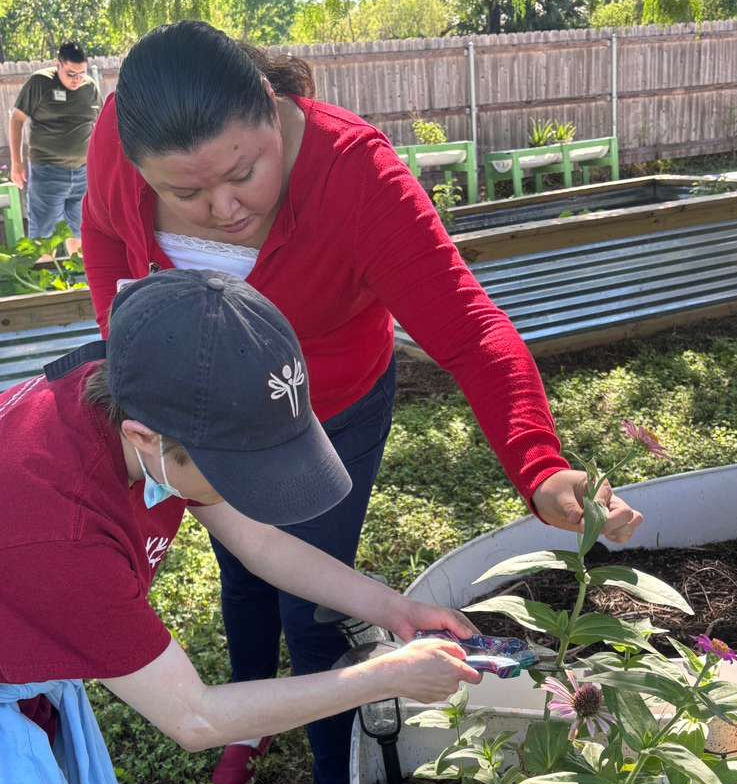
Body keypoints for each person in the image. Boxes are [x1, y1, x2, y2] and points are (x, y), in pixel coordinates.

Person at [81, 21, 644, 784]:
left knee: (312, 600)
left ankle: (331, 765)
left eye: (243, 172)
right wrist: (134, 356)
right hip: (209, 423)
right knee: (242, 567)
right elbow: (104, 232)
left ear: (271, 109)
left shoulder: (357, 175)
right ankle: (246, 731)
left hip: (325, 411)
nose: (221, 207)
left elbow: (471, 329)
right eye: (184, 192)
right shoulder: (119, 137)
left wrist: (537, 464)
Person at [0, 268, 483, 784]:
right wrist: (384, 677)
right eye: (238, 471)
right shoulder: (64, 536)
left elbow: (259, 540)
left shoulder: (142, 388)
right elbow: (193, 715)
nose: (254, 488)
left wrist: (396, 608)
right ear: (144, 438)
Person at [9, 41, 101, 253]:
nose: (77, 79)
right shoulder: (40, 83)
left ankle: (77, 281)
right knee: (44, 237)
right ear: (58, 64)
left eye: (81, 73)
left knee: (81, 233)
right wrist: (17, 163)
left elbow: (102, 124)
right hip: (48, 172)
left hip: (83, 173)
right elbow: (16, 119)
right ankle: (45, 282)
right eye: (70, 73)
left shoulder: (89, 87)